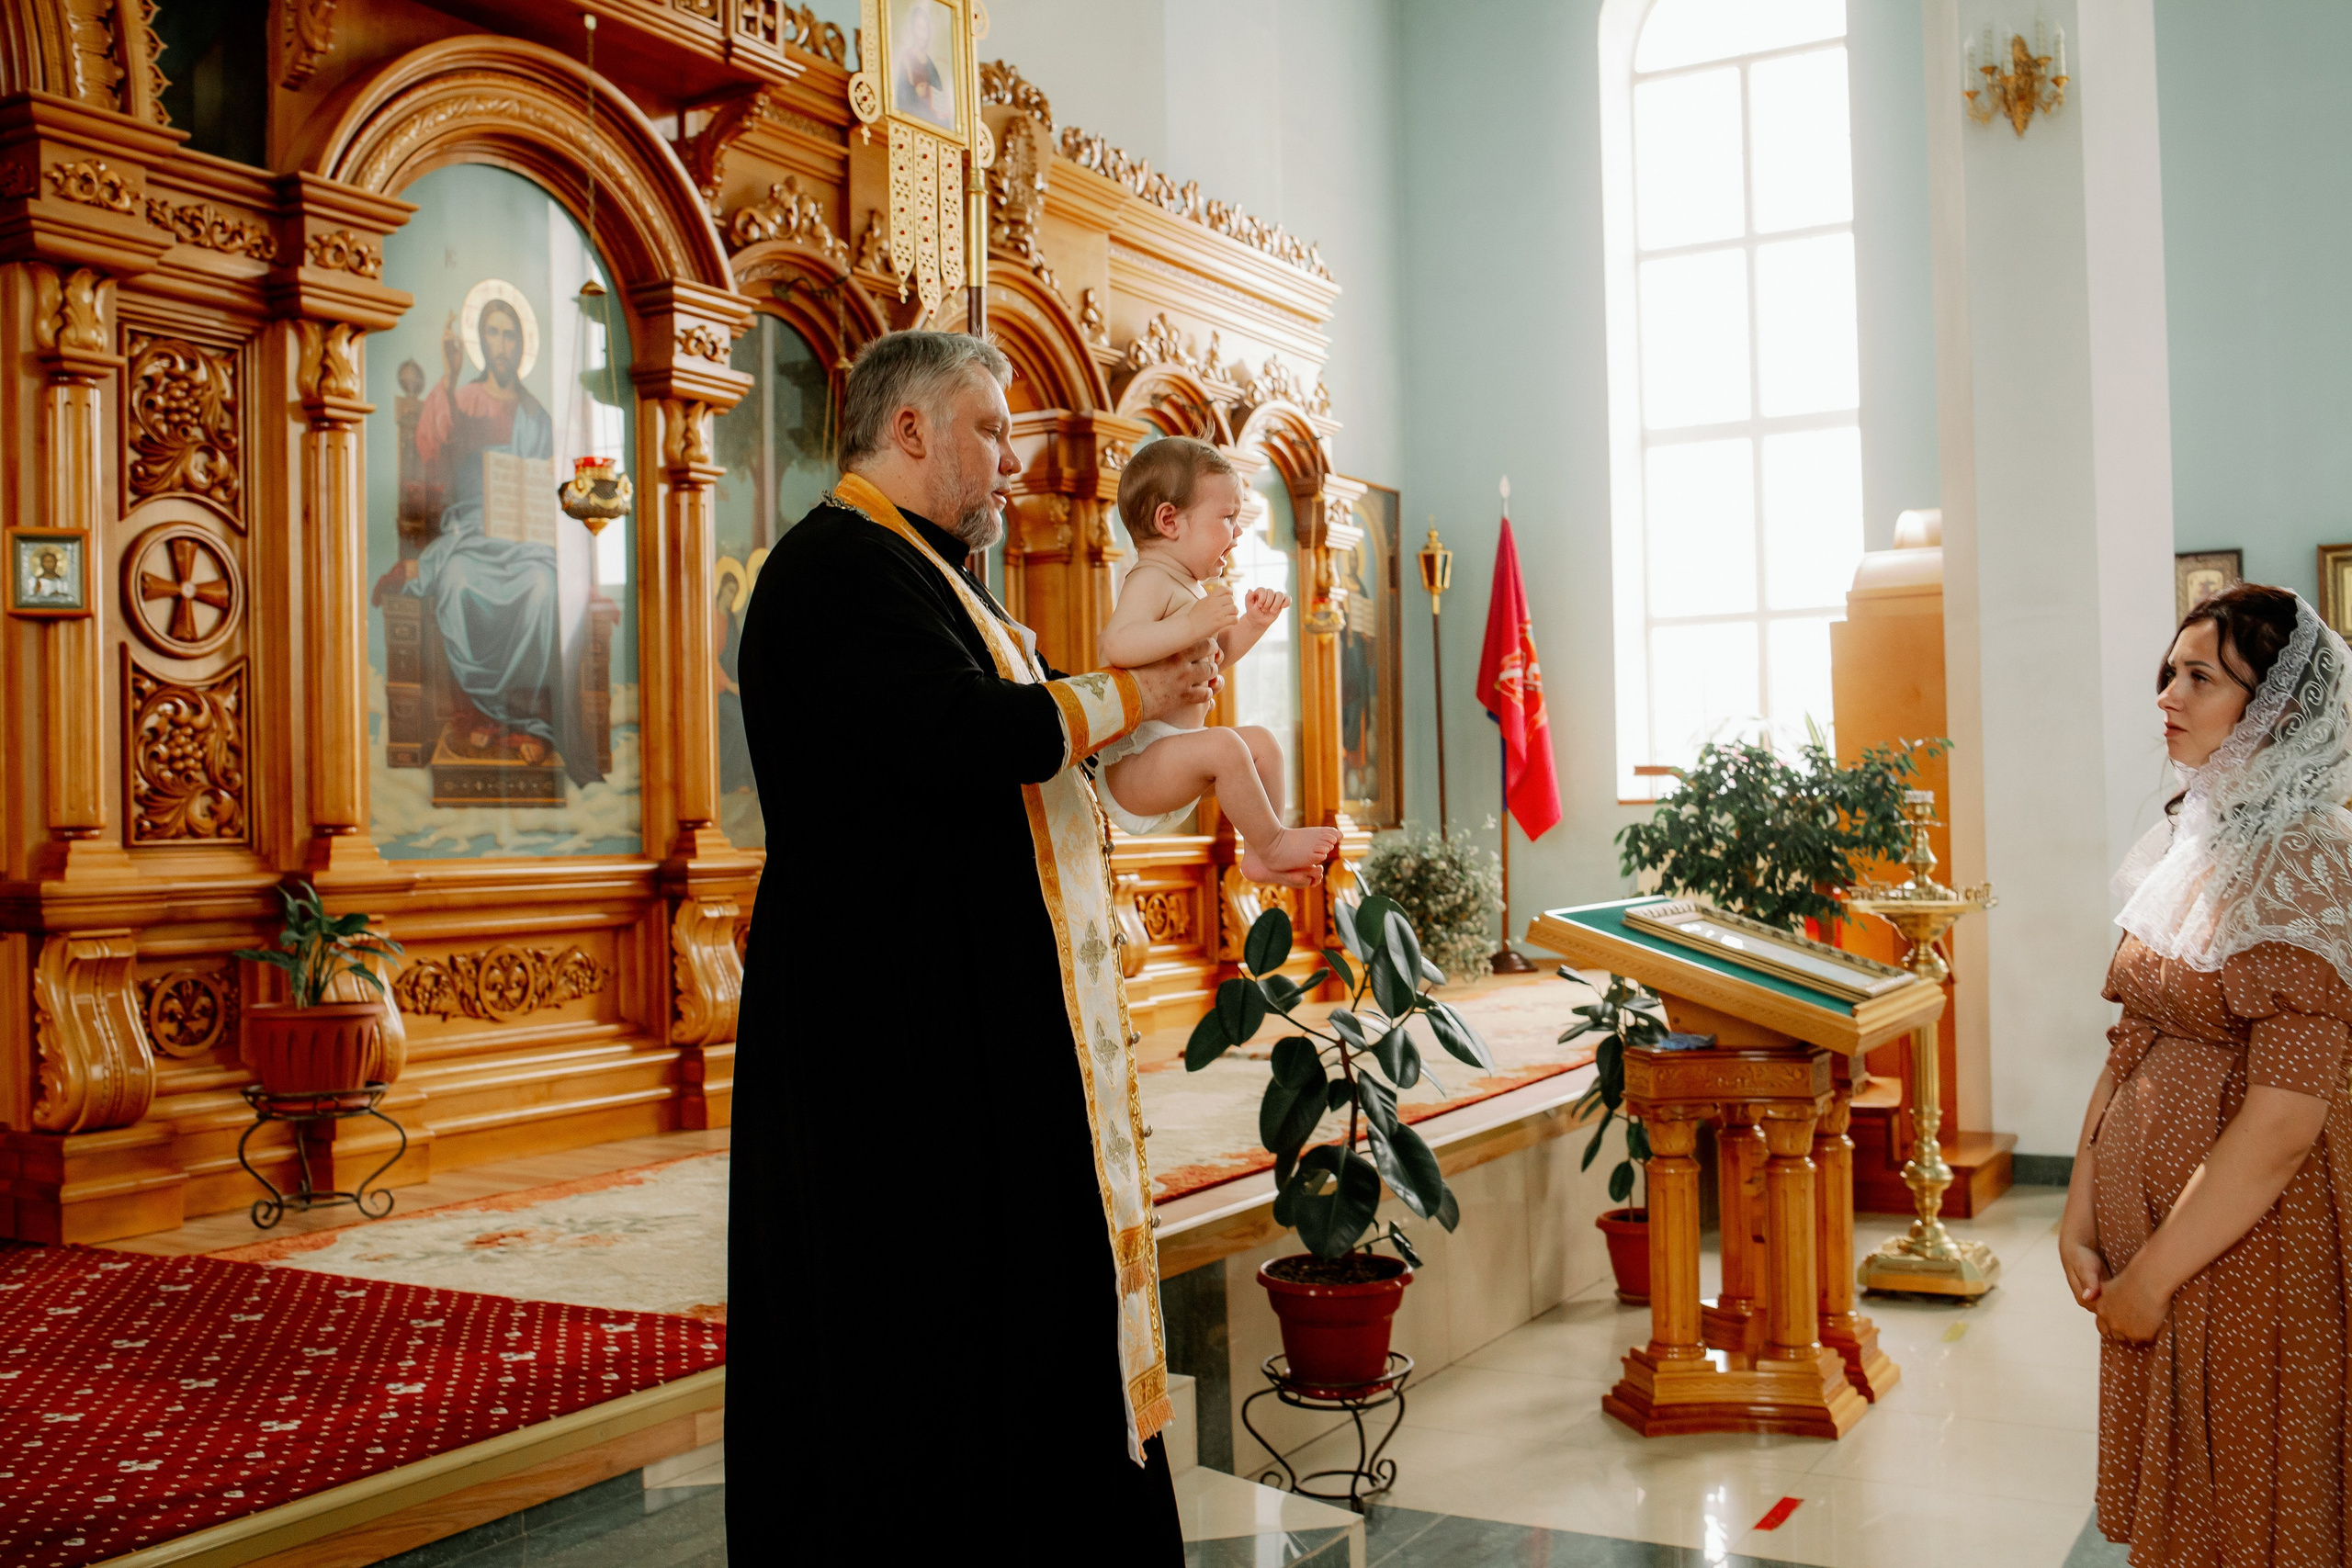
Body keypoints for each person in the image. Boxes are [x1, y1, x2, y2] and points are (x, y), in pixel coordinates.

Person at [729, 331, 1216, 1558]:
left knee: (1012, 1306)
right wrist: (1130, 699)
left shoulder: (938, 574)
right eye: (993, 429)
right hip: (888, 1035)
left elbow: (1050, 717)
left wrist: (1170, 707)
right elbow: (962, 732)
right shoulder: (836, 568)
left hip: (968, 1017)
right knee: (915, 1329)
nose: (1014, 458)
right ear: (909, 432)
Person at [2063, 582, 2352, 1565]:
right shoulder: (2198, 839)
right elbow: (2129, 1042)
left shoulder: (2307, 859)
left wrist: (2152, 1274)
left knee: (2245, 1504)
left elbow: (2283, 1123)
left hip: (2246, 1257)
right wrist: (2078, 1211)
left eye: (2198, 677)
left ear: (2276, 709)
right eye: (2167, 672)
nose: (2165, 696)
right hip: (2162, 1251)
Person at [1094, 436, 1340, 886]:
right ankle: (1274, 843)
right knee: (1226, 744)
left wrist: (1253, 624)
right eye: (1228, 518)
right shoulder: (1149, 578)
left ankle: (1262, 852)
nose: (1239, 532)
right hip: (1137, 763)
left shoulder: (1188, 589)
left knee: (1262, 743)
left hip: (1174, 753)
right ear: (1169, 520)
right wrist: (1192, 625)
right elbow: (1118, 646)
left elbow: (1216, 659)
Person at [405, 294, 596, 780]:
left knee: (542, 588)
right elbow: (432, 449)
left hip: (527, 539)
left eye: (510, 334)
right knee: (456, 583)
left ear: (522, 343)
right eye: (492, 332)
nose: (502, 344)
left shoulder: (538, 415)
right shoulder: (463, 397)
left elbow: (562, 488)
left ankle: (529, 724)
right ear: (480, 341)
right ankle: (483, 716)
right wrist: (448, 377)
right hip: (471, 530)